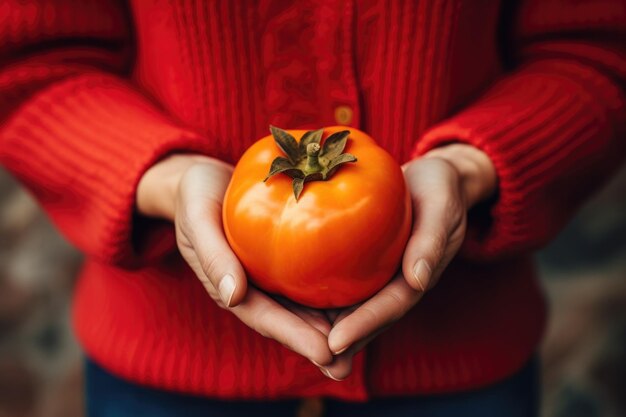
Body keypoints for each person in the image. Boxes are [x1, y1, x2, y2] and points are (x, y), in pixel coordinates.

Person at [1, 1, 624, 416]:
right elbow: (30, 64)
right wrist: (163, 179)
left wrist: (469, 169)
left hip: (463, 371)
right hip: (164, 372)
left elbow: (597, 51)